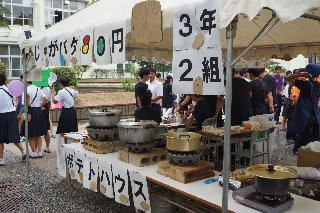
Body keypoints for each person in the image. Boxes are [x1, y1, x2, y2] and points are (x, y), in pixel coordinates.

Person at [286, 64, 320, 154]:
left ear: (308, 72)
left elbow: (288, 78)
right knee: (315, 137)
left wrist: (300, 75)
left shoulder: (304, 84)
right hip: (316, 114)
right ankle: (315, 158)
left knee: (305, 137)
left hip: (305, 114)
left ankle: (304, 155)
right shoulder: (318, 85)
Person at [0, 73, 26, 165]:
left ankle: (1, 159)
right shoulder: (10, 90)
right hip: (12, 114)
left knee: (0, 138)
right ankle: (23, 151)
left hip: (1, 115)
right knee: (14, 134)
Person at [19, 80, 48, 158]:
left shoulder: (25, 90)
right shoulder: (38, 88)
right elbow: (46, 98)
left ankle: (34, 152)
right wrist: (40, 106)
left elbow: (25, 105)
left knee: (30, 134)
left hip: (30, 112)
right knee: (38, 134)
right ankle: (39, 152)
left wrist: (20, 114)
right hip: (38, 112)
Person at [41, 86, 52, 153]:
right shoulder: (47, 88)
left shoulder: (35, 87)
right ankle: (47, 147)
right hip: (45, 109)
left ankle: (36, 149)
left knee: (36, 130)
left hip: (36, 108)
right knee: (46, 129)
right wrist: (48, 110)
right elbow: (49, 101)